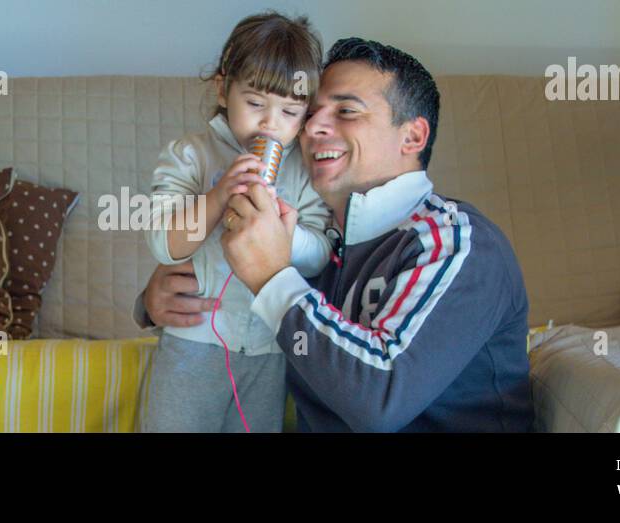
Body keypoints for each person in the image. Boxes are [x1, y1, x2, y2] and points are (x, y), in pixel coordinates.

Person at [138, 38, 534, 432]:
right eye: (310, 112)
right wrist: (156, 302)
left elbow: (379, 398)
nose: (312, 127)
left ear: (412, 137)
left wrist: (272, 278)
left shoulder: (454, 243)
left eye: (346, 111)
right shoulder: (319, 244)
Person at [140, 11, 333, 433]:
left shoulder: (304, 171)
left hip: (268, 350)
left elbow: (319, 254)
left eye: (289, 112)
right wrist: (217, 196)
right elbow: (162, 243)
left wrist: (286, 235)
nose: (270, 124)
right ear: (224, 89)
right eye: (255, 104)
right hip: (194, 342)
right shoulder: (190, 155)